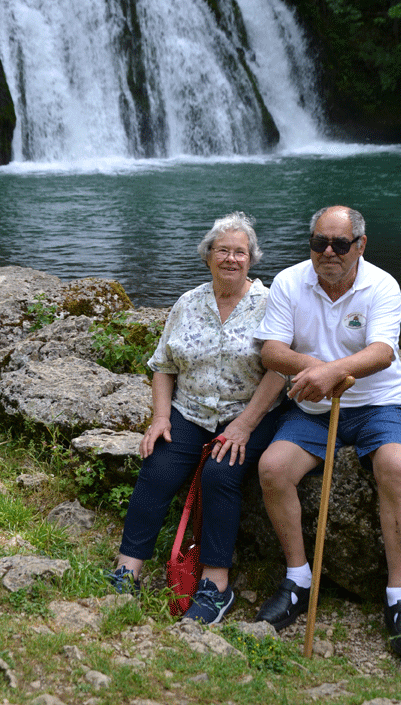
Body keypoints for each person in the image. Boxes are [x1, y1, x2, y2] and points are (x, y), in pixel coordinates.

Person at [253, 205, 401, 658]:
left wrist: (332, 372)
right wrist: (315, 368)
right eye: (319, 243)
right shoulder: (290, 282)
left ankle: (399, 596)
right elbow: (271, 350)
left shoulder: (382, 284)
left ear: (360, 246)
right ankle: (297, 580)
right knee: (273, 469)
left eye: (340, 244)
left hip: (378, 402)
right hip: (313, 407)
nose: (328, 252)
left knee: (396, 465)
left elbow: (383, 352)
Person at [107, 211, 285, 624]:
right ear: (208, 256)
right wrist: (160, 419)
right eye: (222, 250)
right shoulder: (188, 303)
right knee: (158, 467)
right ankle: (126, 570)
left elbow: (279, 370)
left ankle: (215, 585)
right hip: (190, 412)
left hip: (249, 414)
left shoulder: (272, 303)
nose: (231, 259)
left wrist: (244, 425)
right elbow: (164, 366)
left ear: (251, 259)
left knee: (219, 475)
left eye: (240, 252)